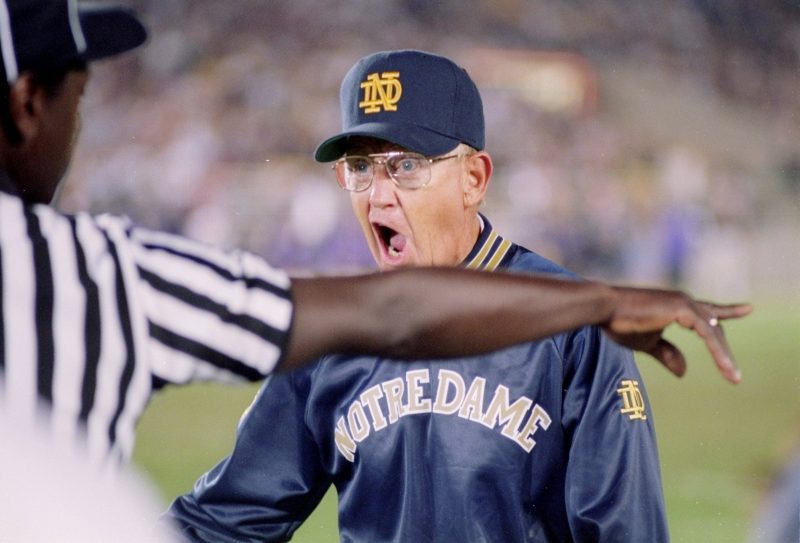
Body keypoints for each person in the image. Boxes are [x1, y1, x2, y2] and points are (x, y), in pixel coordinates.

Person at [165, 50, 749, 542]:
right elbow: (223, 521)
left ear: (474, 179)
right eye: (361, 167)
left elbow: (625, 531)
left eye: (406, 165)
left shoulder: (575, 324)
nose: (378, 195)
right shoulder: (332, 334)